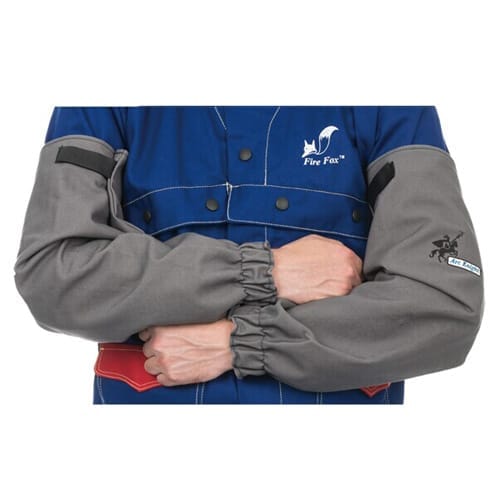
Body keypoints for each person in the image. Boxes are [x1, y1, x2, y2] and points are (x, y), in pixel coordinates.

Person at [13, 106, 484, 404]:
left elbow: (442, 304)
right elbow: (53, 272)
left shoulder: (394, 104)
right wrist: (269, 272)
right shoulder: (100, 100)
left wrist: (238, 342)